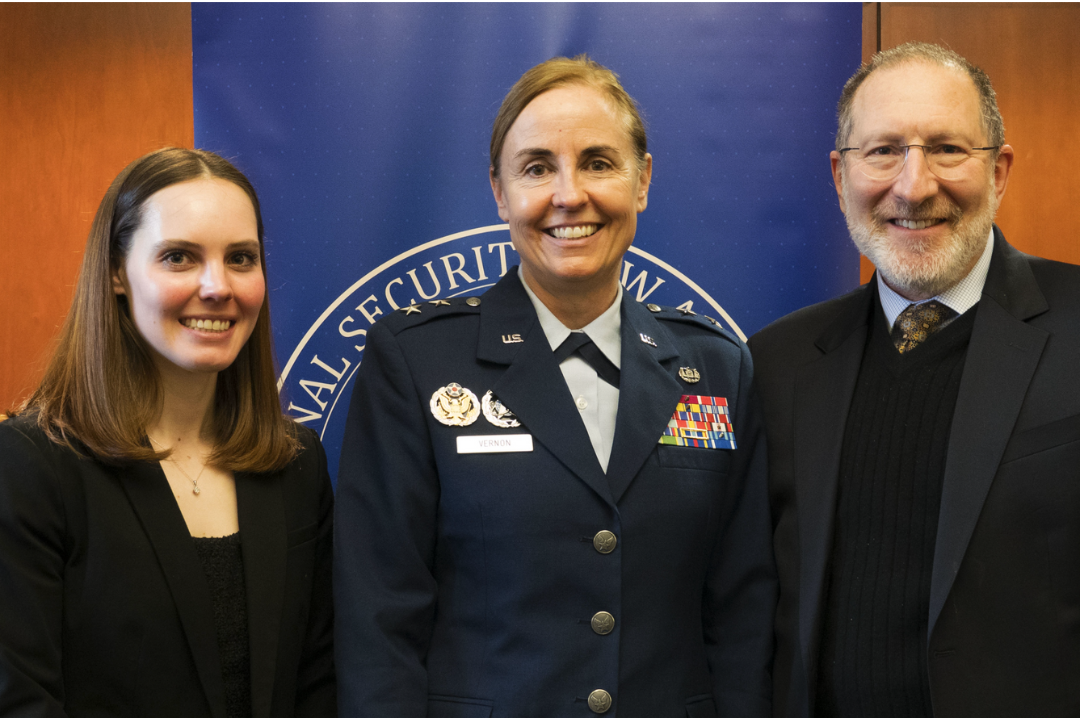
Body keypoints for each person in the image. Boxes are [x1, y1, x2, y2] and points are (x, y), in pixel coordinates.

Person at [334, 55, 776, 717]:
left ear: (643, 179)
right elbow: (379, 620)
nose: (570, 194)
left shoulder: (715, 368)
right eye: (537, 167)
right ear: (499, 192)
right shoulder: (417, 362)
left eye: (599, 162)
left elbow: (742, 612)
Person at [749, 42, 1080, 716]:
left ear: (1000, 171)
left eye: (947, 149)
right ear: (840, 176)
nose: (914, 184)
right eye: (883, 152)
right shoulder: (778, 363)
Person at [0, 148, 336, 716]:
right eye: (179, 257)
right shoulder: (31, 465)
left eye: (241, 258)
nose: (217, 286)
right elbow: (19, 700)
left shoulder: (295, 462)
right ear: (115, 274)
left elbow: (318, 682)